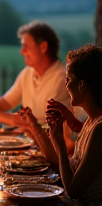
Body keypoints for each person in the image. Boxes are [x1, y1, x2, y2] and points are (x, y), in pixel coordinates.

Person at [0, 20, 80, 152]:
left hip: (54, 151)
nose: (22, 52)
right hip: (33, 148)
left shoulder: (61, 78)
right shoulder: (28, 73)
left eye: (26, 47)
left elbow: (34, 125)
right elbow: (5, 102)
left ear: (43, 47)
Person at [46, 44, 102, 201]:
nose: (66, 84)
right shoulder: (92, 120)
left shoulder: (99, 128)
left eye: (69, 79)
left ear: (82, 85)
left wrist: (59, 143)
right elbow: (86, 137)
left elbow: (72, 190)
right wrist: (71, 120)